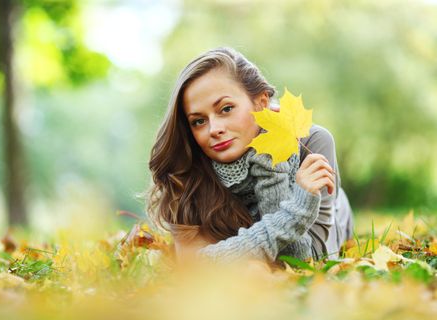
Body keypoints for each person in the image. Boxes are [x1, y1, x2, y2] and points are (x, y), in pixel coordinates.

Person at [146, 47, 353, 264]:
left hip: (338, 216)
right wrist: (295, 213)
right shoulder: (187, 170)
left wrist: (273, 168)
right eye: (199, 121)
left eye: (226, 109)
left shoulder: (312, 143)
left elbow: (308, 261)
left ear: (261, 102)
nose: (213, 129)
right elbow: (195, 266)